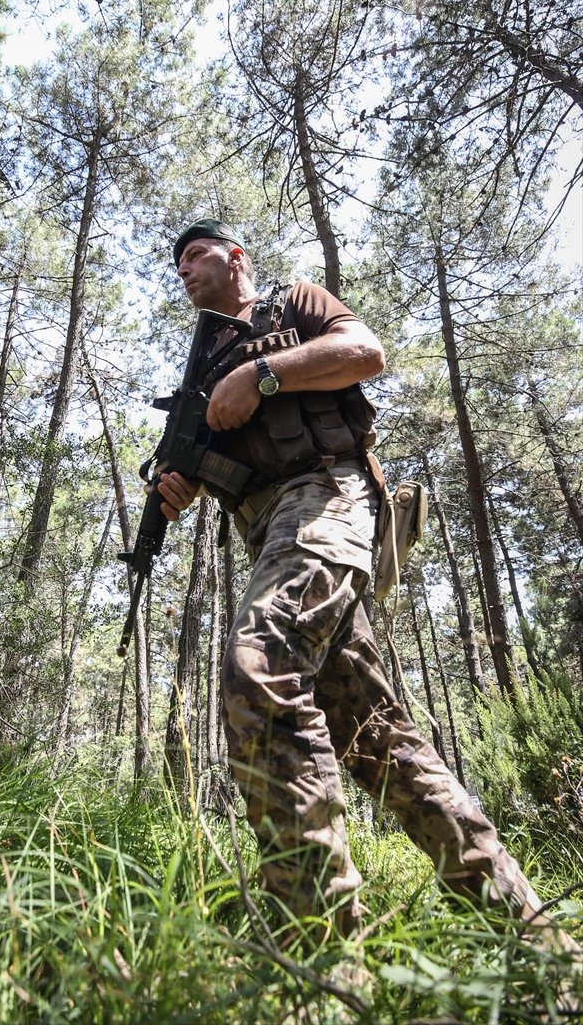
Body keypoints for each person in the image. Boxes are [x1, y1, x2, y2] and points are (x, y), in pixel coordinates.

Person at [157, 218, 575, 948]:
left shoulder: (291, 305)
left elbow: (366, 353)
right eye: (179, 263)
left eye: (196, 255)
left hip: (327, 496)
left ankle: (317, 944)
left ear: (236, 258)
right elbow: (213, 464)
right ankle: (535, 941)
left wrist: (260, 374)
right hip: (268, 529)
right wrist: (178, 483)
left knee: (263, 662)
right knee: (375, 737)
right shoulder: (200, 367)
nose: (184, 270)